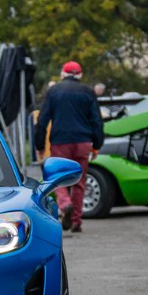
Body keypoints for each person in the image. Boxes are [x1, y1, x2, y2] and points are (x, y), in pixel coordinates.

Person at [34, 61, 104, 233]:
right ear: (80, 75)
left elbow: (42, 120)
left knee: (58, 177)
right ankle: (76, 222)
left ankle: (65, 204)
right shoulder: (88, 92)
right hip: (83, 142)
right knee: (79, 181)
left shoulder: (54, 91)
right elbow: (97, 120)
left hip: (60, 142)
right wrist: (97, 145)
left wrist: (40, 145)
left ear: (63, 74)